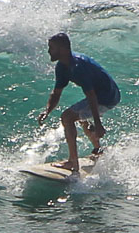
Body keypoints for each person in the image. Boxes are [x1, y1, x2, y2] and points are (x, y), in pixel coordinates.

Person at [36, 32, 121, 173]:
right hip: (103, 94)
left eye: (52, 48)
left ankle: (72, 163)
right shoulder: (62, 67)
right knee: (79, 117)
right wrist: (47, 111)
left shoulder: (77, 66)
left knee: (67, 117)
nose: (48, 51)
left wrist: (98, 124)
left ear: (62, 49)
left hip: (107, 96)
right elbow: (56, 92)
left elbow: (92, 97)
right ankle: (97, 149)